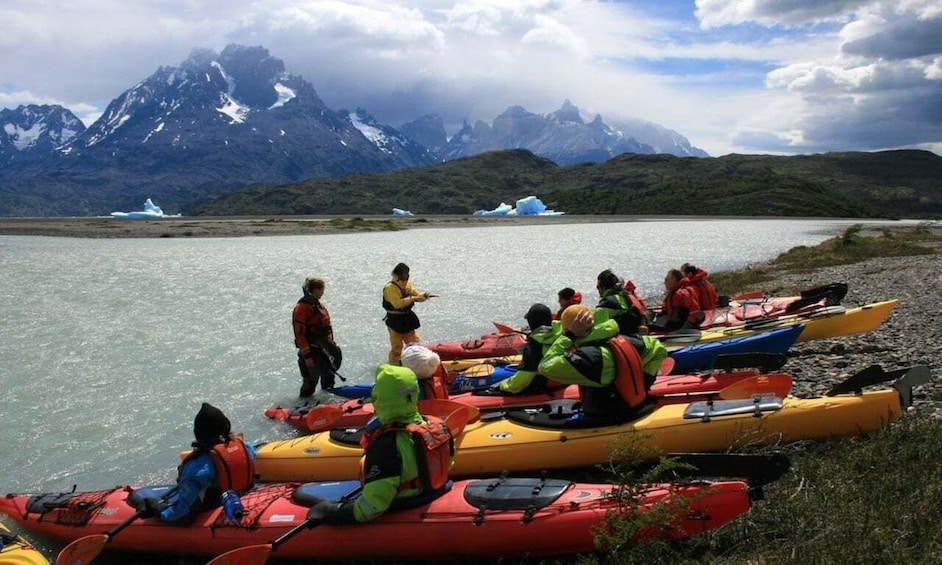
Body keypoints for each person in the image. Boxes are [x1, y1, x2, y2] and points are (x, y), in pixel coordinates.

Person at [306, 363, 455, 524]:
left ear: (380, 396)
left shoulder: (387, 444)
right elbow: (448, 462)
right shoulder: (436, 425)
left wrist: (332, 511)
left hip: (407, 501)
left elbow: (371, 508)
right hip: (436, 489)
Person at [136, 403, 257, 526]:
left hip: (213, 505)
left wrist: (155, 507)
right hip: (247, 495)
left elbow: (181, 516)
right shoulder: (247, 448)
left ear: (199, 435)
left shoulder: (198, 469)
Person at [537, 305, 653, 426]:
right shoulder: (622, 339)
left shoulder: (589, 356)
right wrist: (645, 381)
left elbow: (545, 366)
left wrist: (568, 336)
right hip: (627, 407)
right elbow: (657, 348)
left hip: (605, 418)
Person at [498, 303, 563, 394]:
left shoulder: (533, 349)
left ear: (531, 323)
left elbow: (519, 384)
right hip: (562, 384)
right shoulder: (563, 337)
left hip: (545, 389)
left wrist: (501, 385)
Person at [293, 277, 342, 397]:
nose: (323, 293)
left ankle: (327, 402)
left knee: (328, 377)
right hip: (311, 350)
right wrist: (307, 356)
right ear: (314, 290)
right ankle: (303, 405)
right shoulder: (302, 308)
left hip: (324, 350)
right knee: (311, 381)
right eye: (321, 290)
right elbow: (300, 334)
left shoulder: (318, 306)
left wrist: (331, 349)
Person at [382, 263, 434, 364]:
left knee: (414, 343)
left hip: (407, 318)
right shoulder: (390, 288)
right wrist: (414, 298)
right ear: (397, 275)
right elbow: (397, 304)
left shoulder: (408, 285)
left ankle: (416, 362)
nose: (405, 276)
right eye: (403, 274)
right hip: (394, 319)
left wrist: (423, 296)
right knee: (397, 347)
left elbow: (417, 294)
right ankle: (394, 364)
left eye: (407, 274)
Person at [594, 269, 645, 335]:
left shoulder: (606, 303)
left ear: (603, 287)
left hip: (623, 335)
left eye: (598, 287)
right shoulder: (626, 295)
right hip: (636, 332)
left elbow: (597, 326)